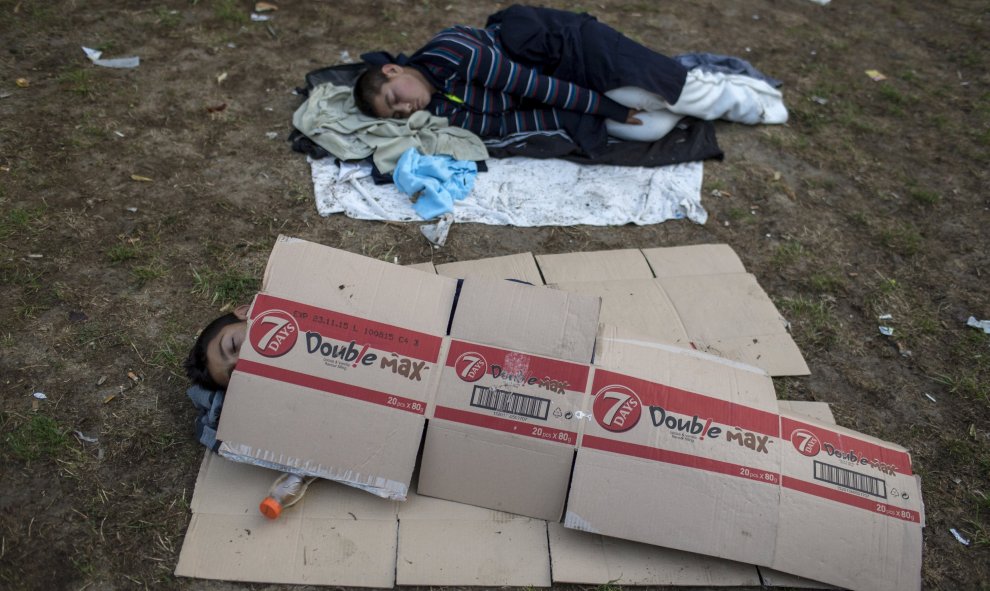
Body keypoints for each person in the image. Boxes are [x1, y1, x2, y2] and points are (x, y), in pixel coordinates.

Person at [353, 5, 786, 157]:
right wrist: (581, 121)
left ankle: (749, 100)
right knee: (647, 126)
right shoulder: (441, 106)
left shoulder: (453, 51)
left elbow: (535, 89)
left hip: (577, 52)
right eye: (395, 114)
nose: (405, 109)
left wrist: (611, 109)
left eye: (395, 98)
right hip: (571, 88)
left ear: (393, 70)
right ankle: (672, 87)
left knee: (660, 94)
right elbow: (503, 126)